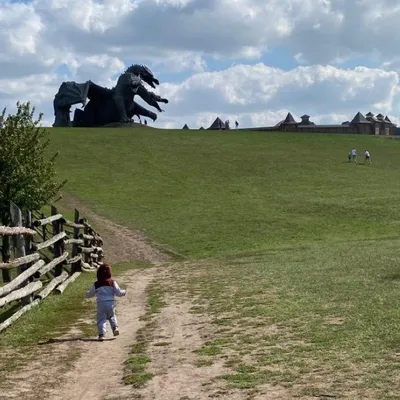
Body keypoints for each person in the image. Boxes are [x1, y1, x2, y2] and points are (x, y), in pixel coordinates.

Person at [85, 263, 126, 341]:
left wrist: (86, 294)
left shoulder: (96, 284)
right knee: (112, 316)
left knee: (101, 319)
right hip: (111, 303)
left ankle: (102, 334)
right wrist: (124, 292)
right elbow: (118, 292)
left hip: (101, 304)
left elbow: (90, 294)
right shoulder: (112, 282)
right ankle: (115, 328)